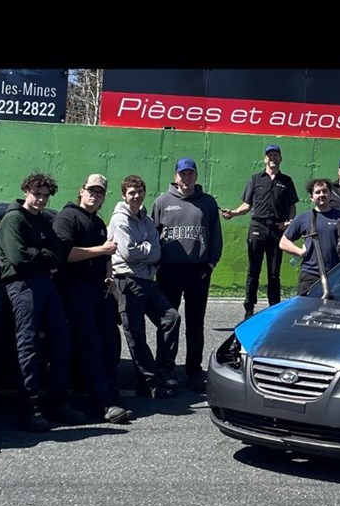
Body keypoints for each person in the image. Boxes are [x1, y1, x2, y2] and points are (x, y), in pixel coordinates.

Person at [0, 171, 85, 431]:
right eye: (37, 194)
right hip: (22, 285)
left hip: (45, 284)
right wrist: (43, 254)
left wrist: (40, 254)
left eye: (46, 196)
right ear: (26, 191)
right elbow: (18, 258)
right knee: (28, 344)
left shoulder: (45, 221)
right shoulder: (14, 220)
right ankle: (28, 408)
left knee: (61, 339)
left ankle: (57, 402)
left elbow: (58, 255)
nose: (41, 200)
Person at [53, 174, 132, 425]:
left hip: (100, 291)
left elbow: (106, 258)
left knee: (110, 344)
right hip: (76, 292)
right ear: (81, 190)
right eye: (91, 191)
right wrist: (102, 250)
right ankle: (103, 404)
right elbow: (64, 254)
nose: (94, 196)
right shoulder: (67, 217)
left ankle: (112, 397)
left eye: (99, 193)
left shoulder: (97, 222)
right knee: (91, 347)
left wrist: (108, 276)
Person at [154, 157, 223, 393]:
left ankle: (194, 371)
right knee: (168, 322)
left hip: (198, 271)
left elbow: (215, 235)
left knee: (196, 323)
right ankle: (165, 369)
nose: (186, 178)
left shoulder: (207, 203)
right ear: (176, 176)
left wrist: (211, 264)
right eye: (182, 173)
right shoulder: (162, 202)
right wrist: (156, 266)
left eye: (190, 173)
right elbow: (153, 236)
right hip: (169, 270)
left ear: (196, 176)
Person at [109, 174, 181, 399]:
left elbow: (156, 251)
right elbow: (129, 252)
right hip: (127, 281)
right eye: (131, 192)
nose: (136, 196)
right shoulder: (119, 220)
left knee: (171, 318)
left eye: (139, 192)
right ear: (124, 195)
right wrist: (148, 249)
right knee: (136, 334)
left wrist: (146, 249)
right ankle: (149, 383)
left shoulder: (148, 220)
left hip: (148, 281)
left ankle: (163, 370)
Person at [221, 144, 297, 319]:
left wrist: (289, 223)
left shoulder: (287, 181)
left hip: (277, 230)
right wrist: (232, 213)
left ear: (280, 158)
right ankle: (249, 309)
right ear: (265, 159)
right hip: (257, 228)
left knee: (274, 272)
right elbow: (247, 205)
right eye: (270, 155)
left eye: (276, 155)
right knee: (253, 271)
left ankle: (274, 308)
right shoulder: (255, 179)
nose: (273, 158)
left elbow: (292, 206)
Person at [281, 178, 340, 296]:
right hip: (310, 275)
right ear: (311, 197)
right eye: (317, 192)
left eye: (325, 191)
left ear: (330, 194)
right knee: (305, 311)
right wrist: (300, 252)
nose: (322, 195)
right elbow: (283, 242)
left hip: (336, 274)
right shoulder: (303, 218)